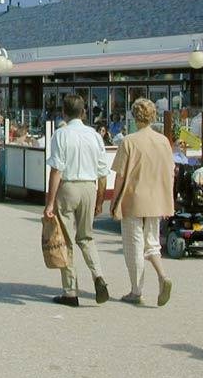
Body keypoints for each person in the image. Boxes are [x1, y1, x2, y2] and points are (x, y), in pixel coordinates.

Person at [44, 94, 110, 308]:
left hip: (69, 185)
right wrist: (100, 200)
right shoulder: (94, 135)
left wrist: (49, 202)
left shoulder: (61, 134)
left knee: (66, 239)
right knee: (86, 237)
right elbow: (102, 172)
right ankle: (98, 275)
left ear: (63, 112)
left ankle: (70, 290)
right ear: (84, 112)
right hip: (90, 186)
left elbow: (56, 169)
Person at [110, 98, 174, 306]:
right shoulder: (163, 141)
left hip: (133, 198)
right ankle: (163, 275)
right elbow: (169, 172)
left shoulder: (129, 141)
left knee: (133, 245)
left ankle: (136, 291)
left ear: (134, 116)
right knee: (152, 242)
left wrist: (113, 201)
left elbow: (119, 175)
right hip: (156, 198)